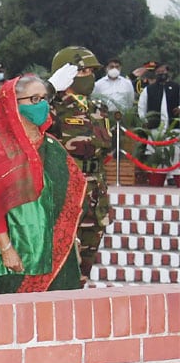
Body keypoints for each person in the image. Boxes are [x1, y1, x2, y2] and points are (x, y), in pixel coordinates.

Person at [0, 75, 86, 295]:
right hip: (17, 256)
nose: (42, 105)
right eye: (34, 99)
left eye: (44, 99)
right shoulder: (1, 151)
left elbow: (71, 198)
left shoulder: (53, 147)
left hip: (60, 255)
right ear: (13, 103)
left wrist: (73, 240)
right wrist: (6, 249)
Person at [48, 46, 112, 282]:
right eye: (84, 71)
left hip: (96, 196)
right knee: (63, 262)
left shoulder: (99, 110)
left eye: (91, 72)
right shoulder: (53, 109)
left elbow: (103, 151)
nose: (90, 77)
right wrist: (50, 89)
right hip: (68, 194)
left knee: (86, 265)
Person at [138, 63, 179, 130]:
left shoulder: (176, 87)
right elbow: (142, 107)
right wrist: (144, 121)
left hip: (174, 127)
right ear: (155, 73)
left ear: (167, 72)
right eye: (158, 72)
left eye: (163, 71)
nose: (161, 74)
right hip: (154, 127)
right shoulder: (148, 89)